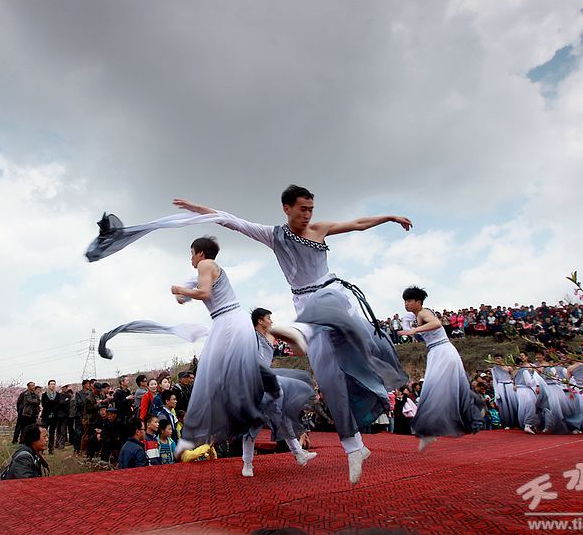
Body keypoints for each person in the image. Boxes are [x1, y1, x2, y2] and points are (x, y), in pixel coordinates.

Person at [85, 185, 411, 485]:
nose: (308, 214)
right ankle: (354, 446)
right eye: (302, 209)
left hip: (329, 295)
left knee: (350, 340)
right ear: (286, 208)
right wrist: (198, 210)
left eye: (311, 209)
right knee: (327, 375)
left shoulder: (319, 229)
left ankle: (357, 351)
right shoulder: (273, 235)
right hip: (305, 305)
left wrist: (389, 217)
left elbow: (357, 223)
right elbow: (230, 220)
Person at [98, 237, 267, 459]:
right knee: (216, 377)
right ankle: (227, 419)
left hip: (228, 321)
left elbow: (204, 293)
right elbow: (185, 297)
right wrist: (182, 293)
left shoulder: (206, 265)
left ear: (201, 254)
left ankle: (196, 433)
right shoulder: (203, 272)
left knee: (208, 376)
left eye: (192, 253)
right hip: (229, 321)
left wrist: (180, 289)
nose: (191, 258)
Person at [399, 286, 484, 450]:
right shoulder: (417, 317)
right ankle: (430, 431)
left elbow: (436, 323)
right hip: (437, 352)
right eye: (405, 301)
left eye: (409, 300)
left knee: (433, 391)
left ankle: (428, 432)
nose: (406, 304)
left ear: (418, 301)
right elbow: (419, 334)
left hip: (442, 351)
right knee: (444, 389)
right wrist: (409, 325)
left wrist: (414, 329)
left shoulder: (424, 312)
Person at [241, 307, 317, 478]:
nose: (271, 320)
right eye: (268, 318)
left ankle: (299, 454)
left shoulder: (271, 335)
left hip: (269, 381)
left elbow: (296, 346)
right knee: (253, 425)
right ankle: (247, 463)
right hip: (254, 384)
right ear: (260, 320)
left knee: (283, 418)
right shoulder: (250, 337)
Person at [41, 379, 64, 454]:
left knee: (52, 433)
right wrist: (53, 404)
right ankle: (42, 448)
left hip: (54, 416)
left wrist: (50, 403)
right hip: (46, 416)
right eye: (51, 384)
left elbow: (58, 404)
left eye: (54, 384)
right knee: (43, 432)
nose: (53, 385)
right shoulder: (44, 395)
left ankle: (51, 449)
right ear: (48, 385)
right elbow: (44, 405)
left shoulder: (58, 395)